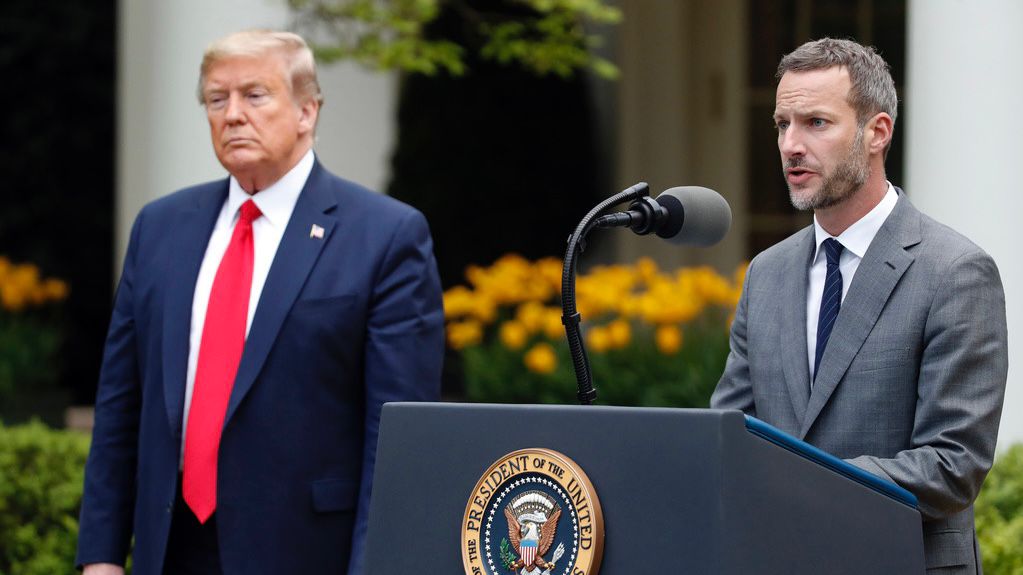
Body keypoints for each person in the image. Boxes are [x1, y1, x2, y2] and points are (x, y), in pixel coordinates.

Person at [76, 30, 444, 574]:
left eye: (254, 95)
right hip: (173, 548)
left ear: (306, 112)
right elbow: (119, 406)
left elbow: (397, 441)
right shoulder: (161, 228)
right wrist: (101, 556)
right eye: (217, 99)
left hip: (304, 551)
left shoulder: (385, 236)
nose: (232, 115)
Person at [711, 38, 1007, 574]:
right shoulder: (767, 273)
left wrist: (802, 484)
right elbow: (729, 433)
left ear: (877, 132)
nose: (791, 145)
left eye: (816, 123)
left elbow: (952, 465)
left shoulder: (955, 271)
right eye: (782, 124)